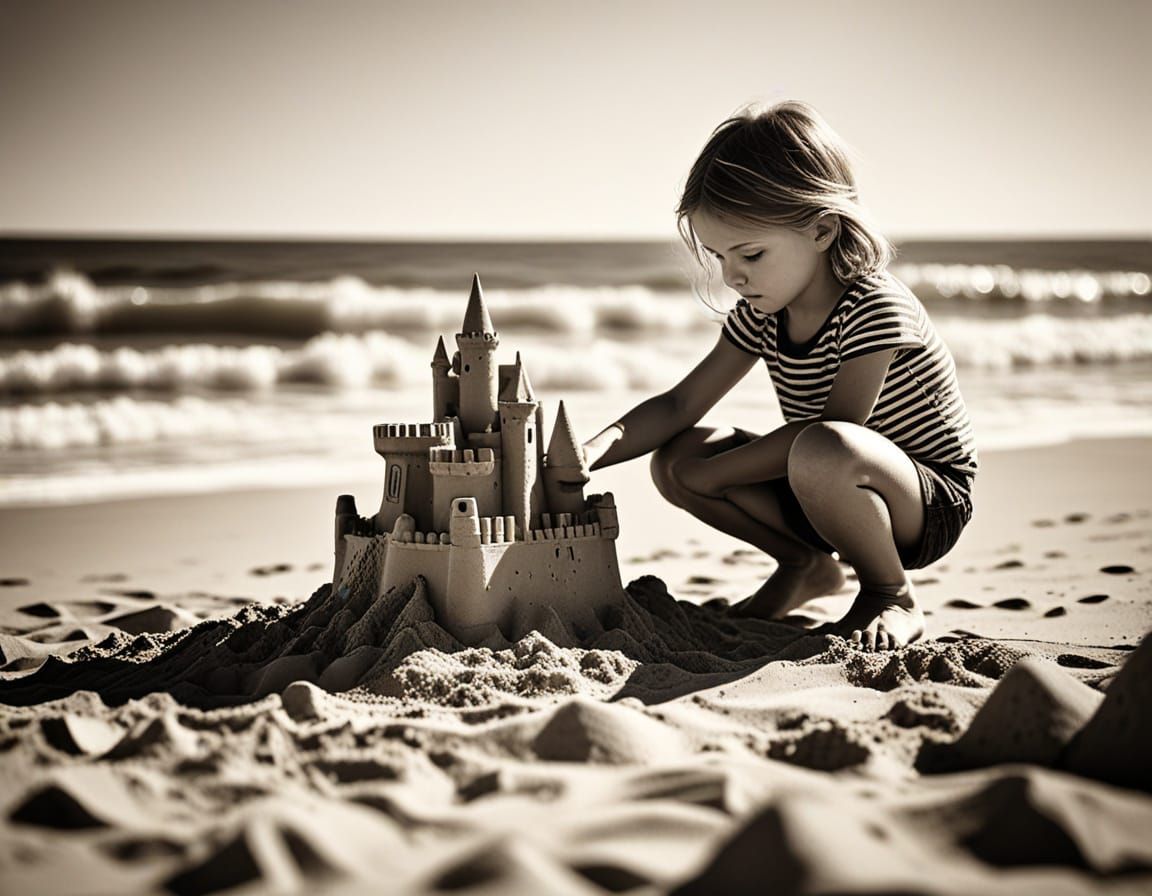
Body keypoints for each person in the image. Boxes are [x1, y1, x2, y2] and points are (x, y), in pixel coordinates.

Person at [582, 101, 977, 651]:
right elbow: (678, 407)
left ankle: (891, 591)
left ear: (821, 229)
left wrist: (722, 475)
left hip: (922, 501)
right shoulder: (763, 312)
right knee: (677, 458)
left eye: (751, 253)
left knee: (821, 447)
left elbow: (836, 431)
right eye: (719, 256)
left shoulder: (875, 305)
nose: (733, 275)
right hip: (818, 487)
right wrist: (588, 453)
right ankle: (805, 567)